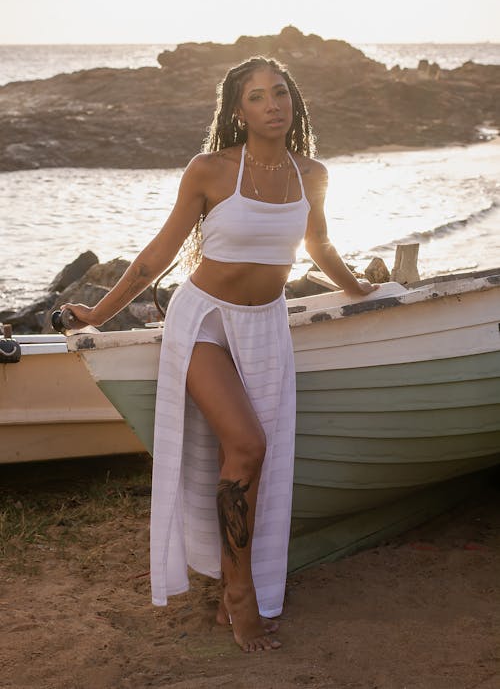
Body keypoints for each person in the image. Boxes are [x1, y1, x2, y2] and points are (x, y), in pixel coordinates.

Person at [61, 56, 379, 653]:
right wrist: (98, 314)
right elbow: (158, 254)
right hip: (205, 318)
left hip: (266, 326)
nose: (273, 105)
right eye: (257, 97)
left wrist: (363, 288)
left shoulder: (310, 173)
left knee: (254, 460)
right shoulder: (210, 170)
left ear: (293, 101)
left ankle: (237, 583)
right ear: (238, 112)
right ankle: (239, 595)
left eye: (280, 93)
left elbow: (319, 245)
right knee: (247, 445)